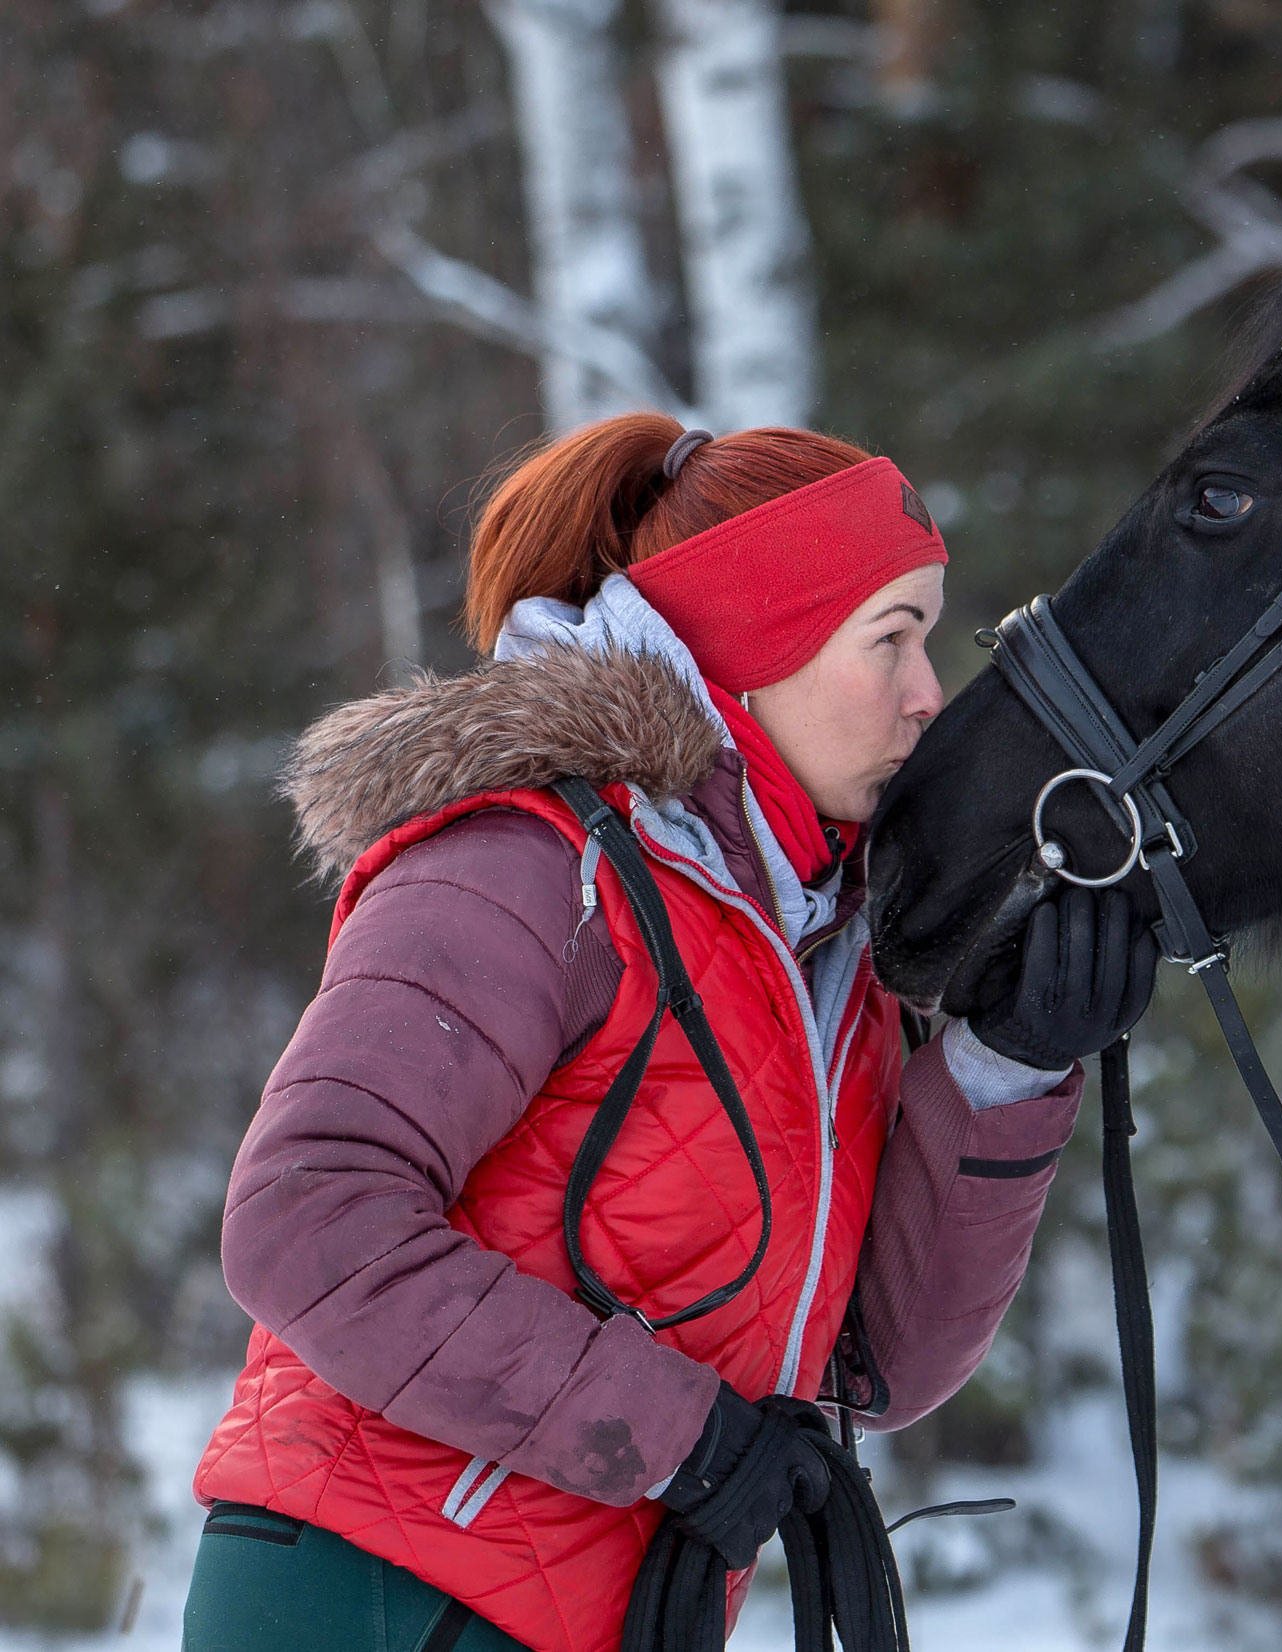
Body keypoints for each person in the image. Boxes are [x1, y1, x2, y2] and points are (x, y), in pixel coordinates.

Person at [181, 415, 1153, 1652]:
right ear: (755, 647)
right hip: (370, 1591)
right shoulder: (531, 866)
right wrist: (679, 1437)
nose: (927, 695)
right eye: (891, 638)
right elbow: (309, 1218)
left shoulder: (820, 953)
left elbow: (873, 1366)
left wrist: (1004, 1066)